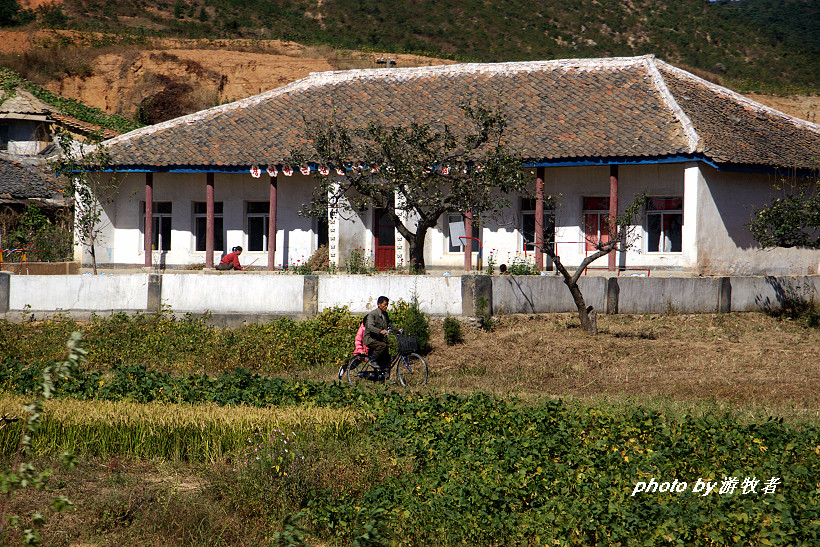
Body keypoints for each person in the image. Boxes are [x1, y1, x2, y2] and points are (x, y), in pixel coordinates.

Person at [363, 295, 393, 374]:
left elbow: (390, 325)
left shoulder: (385, 314)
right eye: (385, 304)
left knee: (386, 355)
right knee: (382, 346)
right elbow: (370, 327)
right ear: (379, 304)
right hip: (370, 339)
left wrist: (398, 330)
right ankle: (372, 360)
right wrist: (380, 331)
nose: (386, 306)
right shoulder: (372, 314)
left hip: (378, 339)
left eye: (387, 305)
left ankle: (384, 376)